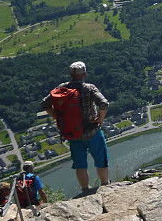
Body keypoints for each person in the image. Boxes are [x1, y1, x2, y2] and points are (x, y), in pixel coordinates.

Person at [42, 61, 111, 194]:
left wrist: (56, 116)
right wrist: (100, 119)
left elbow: (44, 104)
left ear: (70, 74)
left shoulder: (62, 89)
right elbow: (104, 103)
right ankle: (105, 187)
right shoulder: (89, 88)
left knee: (80, 165)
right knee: (101, 160)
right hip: (92, 131)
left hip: (73, 134)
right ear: (84, 74)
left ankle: (85, 190)